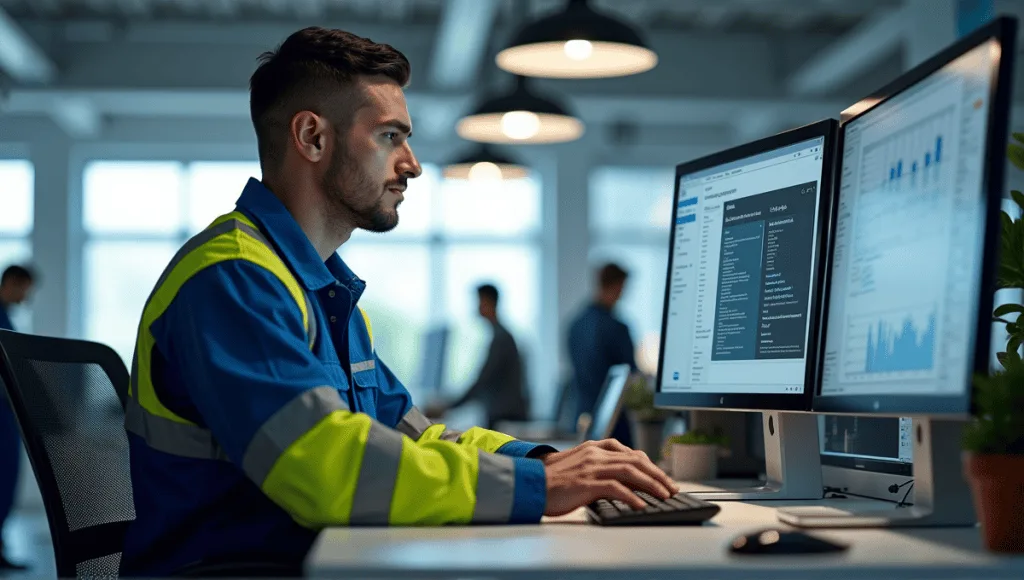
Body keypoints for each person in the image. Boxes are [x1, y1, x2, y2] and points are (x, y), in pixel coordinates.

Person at [120, 27, 675, 576]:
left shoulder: (324, 294)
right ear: (312, 137)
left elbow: (416, 435)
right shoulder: (233, 279)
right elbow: (327, 470)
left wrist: (544, 463)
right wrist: (542, 488)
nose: (411, 164)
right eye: (389, 136)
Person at [434, 284, 529, 429]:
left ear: (489, 302)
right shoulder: (500, 336)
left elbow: (482, 381)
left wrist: (449, 407)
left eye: (480, 301)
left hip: (504, 419)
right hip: (501, 414)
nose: (477, 307)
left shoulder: (501, 338)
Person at [568, 263, 637, 446]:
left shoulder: (575, 324)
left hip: (582, 417)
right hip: (614, 425)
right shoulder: (616, 328)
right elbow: (632, 377)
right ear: (618, 285)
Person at [0, 264, 35, 571]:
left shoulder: (6, 316)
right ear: (12, 282)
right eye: (25, 288)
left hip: (6, 413)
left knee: (6, 479)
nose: (27, 296)